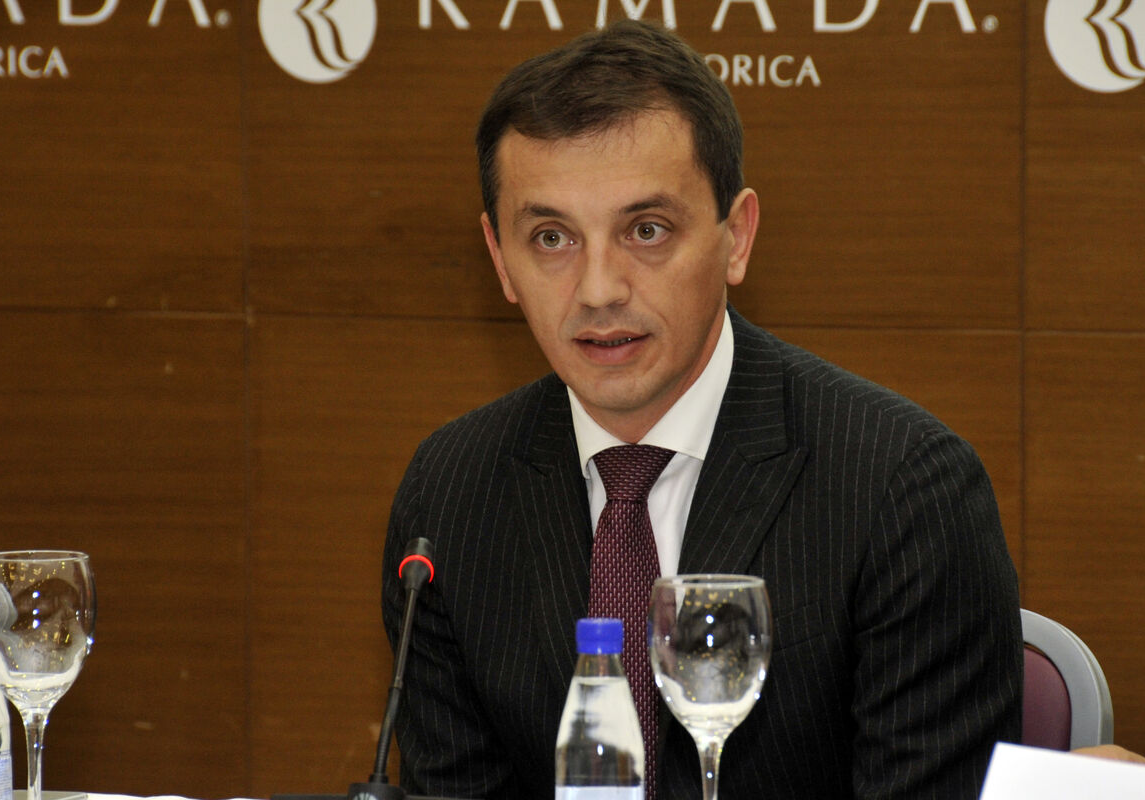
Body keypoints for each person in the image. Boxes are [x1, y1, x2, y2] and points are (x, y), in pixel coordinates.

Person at [382, 19, 1022, 800]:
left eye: (646, 230)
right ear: (500, 261)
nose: (599, 289)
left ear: (736, 237)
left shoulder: (901, 489)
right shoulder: (450, 495)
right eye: (551, 238)